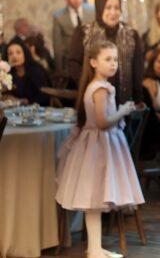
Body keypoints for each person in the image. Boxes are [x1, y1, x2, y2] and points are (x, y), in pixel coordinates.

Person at [56, 40, 143, 258]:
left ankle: (95, 247)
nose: (113, 64)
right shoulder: (101, 89)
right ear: (94, 62)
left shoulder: (97, 86)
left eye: (115, 59)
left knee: (94, 198)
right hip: (99, 146)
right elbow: (103, 122)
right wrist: (123, 111)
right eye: (108, 59)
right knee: (94, 196)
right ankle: (94, 249)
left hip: (98, 143)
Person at [68, 0, 144, 105]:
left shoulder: (131, 34)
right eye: (108, 8)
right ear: (100, 9)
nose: (113, 12)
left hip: (124, 98)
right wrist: (88, 85)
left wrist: (138, 99)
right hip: (94, 97)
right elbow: (74, 63)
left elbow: (138, 69)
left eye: (117, 8)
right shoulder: (84, 32)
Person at [52, 0, 95, 76]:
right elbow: (57, 44)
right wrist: (59, 70)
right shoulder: (59, 16)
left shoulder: (92, 11)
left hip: (91, 59)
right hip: (70, 61)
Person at [7, 40, 50, 105]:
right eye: (10, 54)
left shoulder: (36, 70)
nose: (14, 56)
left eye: (18, 52)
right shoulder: (9, 73)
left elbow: (44, 96)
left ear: (25, 54)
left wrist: (26, 101)